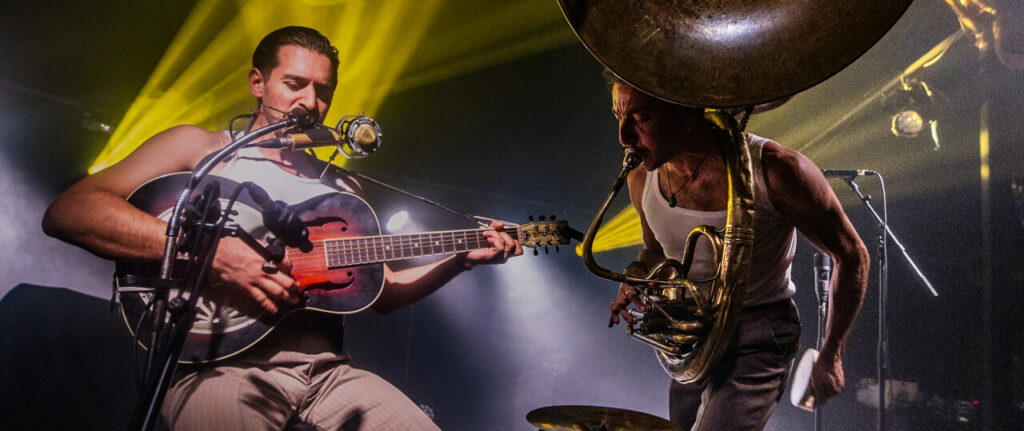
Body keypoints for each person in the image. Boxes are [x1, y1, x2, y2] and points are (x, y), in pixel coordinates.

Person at [41, 26, 522, 430]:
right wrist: (209, 257)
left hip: (331, 374)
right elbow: (70, 211)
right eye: (294, 84)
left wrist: (460, 259)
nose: (310, 102)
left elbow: (387, 291)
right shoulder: (202, 148)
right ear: (257, 81)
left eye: (324, 90)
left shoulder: (342, 185)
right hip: (220, 368)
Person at [605, 77, 870, 430]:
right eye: (618, 115)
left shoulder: (777, 170)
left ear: (683, 112)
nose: (624, 136)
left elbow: (853, 256)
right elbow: (654, 250)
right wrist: (637, 275)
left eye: (640, 118)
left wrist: (833, 352)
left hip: (758, 335)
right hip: (691, 337)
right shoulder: (642, 179)